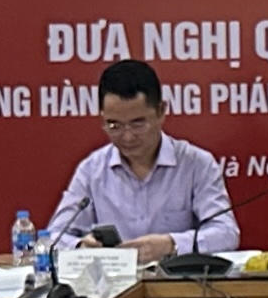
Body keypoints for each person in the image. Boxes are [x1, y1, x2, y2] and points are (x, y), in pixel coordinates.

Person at [38, 61, 238, 261]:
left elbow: (227, 233)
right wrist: (81, 246)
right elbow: (53, 238)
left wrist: (171, 244)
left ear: (161, 111)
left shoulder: (196, 164)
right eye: (114, 125)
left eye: (138, 124)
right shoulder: (91, 170)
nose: (127, 137)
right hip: (113, 279)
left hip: (179, 279)